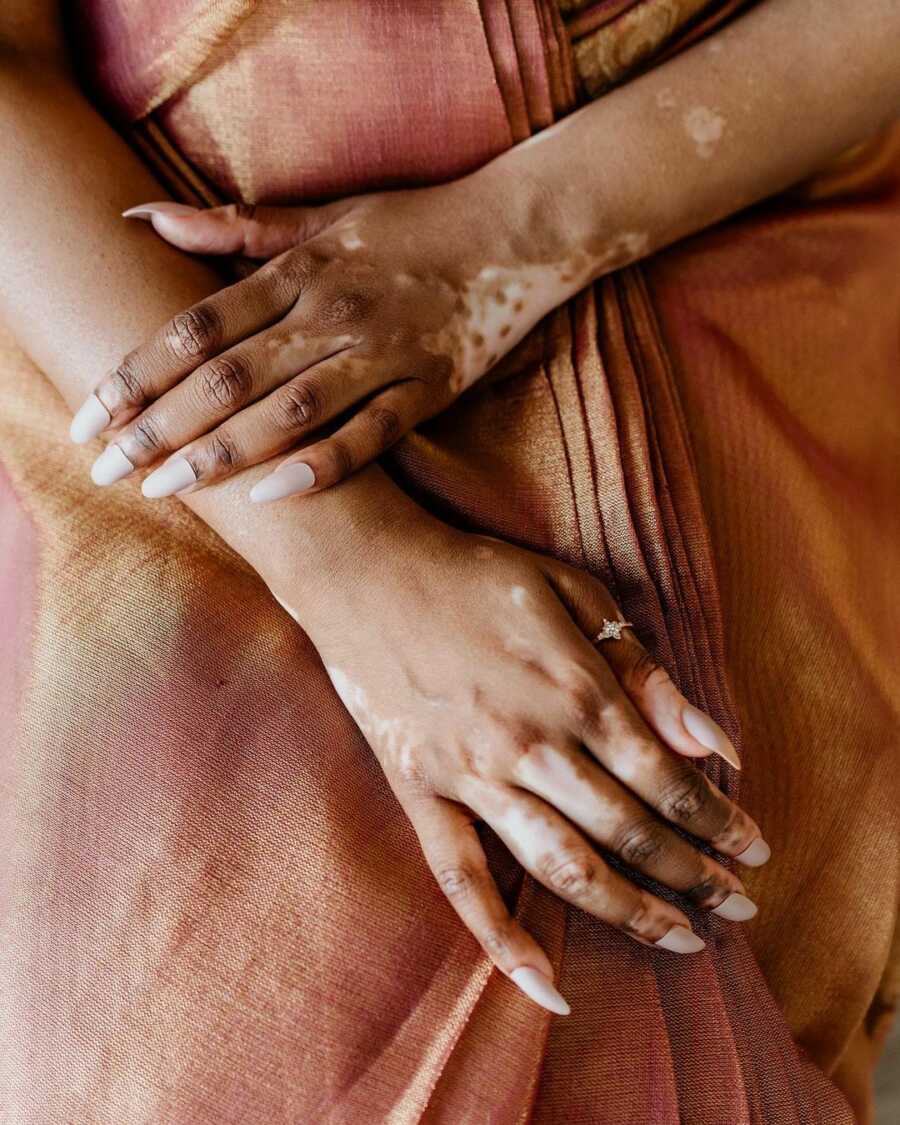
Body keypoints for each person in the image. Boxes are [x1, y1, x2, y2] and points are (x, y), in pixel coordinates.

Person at [1, 1, 898, 1120]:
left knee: (703, 834)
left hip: (716, 201)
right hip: (141, 320)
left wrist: (503, 246)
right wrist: (356, 573)